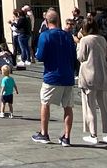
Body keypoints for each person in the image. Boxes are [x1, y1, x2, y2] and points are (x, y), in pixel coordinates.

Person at [31, 10, 76, 146]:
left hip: (52, 75)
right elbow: (74, 56)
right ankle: (66, 137)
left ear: (46, 21)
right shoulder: (68, 36)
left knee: (45, 103)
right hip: (68, 75)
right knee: (68, 106)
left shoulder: (45, 35)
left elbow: (40, 56)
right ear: (58, 21)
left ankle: (44, 133)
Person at [77, 17, 107, 144]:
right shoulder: (102, 39)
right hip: (102, 74)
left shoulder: (84, 40)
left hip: (89, 76)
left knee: (90, 106)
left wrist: (78, 41)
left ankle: (93, 135)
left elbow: (80, 57)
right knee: (106, 106)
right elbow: (105, 54)